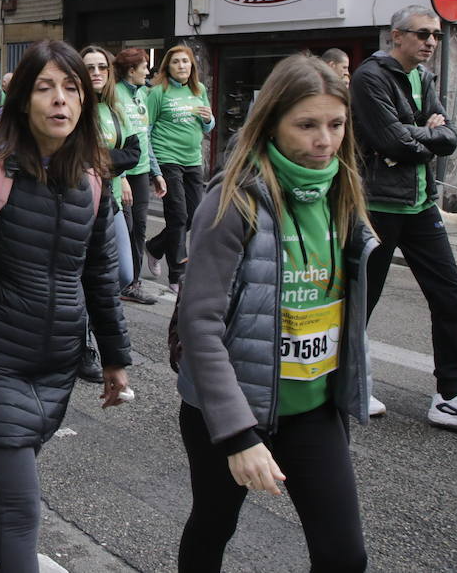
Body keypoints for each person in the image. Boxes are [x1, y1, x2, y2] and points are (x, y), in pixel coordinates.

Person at [177, 54, 373, 573]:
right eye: (306, 125)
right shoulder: (233, 198)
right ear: (272, 122)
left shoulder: (343, 191)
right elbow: (200, 322)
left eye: (335, 124)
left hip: (313, 409)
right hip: (231, 412)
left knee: (344, 555)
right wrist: (239, 436)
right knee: (214, 526)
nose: (324, 141)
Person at [0, 41, 132, 573]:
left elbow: (100, 272)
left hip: (54, 364)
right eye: (45, 87)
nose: (60, 101)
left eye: (72, 88)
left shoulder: (93, 177)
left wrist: (115, 358)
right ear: (22, 100)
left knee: (12, 483)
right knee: (22, 505)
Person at [350, 4, 457, 431]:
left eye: (436, 36)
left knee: (449, 293)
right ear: (396, 36)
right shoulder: (371, 78)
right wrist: (426, 134)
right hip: (377, 207)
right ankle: (348, 383)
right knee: (361, 301)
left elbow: (450, 137)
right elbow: (392, 140)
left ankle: (450, 396)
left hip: (421, 205)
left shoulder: (426, 77)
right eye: (422, 34)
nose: (430, 43)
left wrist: (418, 136)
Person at [81, 46, 150, 303]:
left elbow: (134, 152)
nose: (96, 73)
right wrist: (106, 159)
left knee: (124, 272)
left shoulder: (116, 108)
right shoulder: (75, 107)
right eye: (89, 67)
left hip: (112, 201)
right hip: (79, 203)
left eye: (102, 67)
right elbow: (75, 155)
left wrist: (100, 158)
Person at [145, 44, 214, 294]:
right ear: (168, 67)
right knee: (178, 217)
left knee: (194, 216)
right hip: (167, 159)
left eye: (185, 62)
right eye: (176, 62)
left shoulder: (199, 89)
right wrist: (155, 171)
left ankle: (154, 247)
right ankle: (177, 275)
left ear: (192, 66)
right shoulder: (158, 92)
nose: (182, 66)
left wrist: (208, 119)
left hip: (192, 160)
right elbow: (147, 130)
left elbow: (208, 126)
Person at [114, 47, 167, 304]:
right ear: (131, 70)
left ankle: (132, 283)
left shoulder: (143, 94)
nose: (148, 71)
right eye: (144, 67)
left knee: (140, 229)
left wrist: (156, 172)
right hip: (125, 173)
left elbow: (145, 136)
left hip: (143, 170)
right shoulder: (115, 95)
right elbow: (114, 139)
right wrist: (121, 176)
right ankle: (120, 279)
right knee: (126, 228)